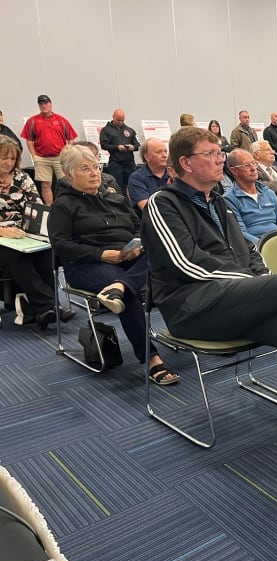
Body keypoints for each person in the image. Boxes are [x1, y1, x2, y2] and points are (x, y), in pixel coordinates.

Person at [140, 126, 277, 462]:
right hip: (191, 310)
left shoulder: (218, 202)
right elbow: (187, 265)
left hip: (230, 303)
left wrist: (257, 278)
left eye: (220, 153)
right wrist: (251, 282)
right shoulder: (163, 203)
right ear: (186, 163)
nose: (220, 159)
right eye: (212, 154)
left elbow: (248, 250)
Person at [48, 145, 179, 385]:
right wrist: (102, 254)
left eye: (96, 167)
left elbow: (140, 227)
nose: (94, 173)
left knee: (166, 256)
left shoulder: (116, 198)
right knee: (127, 297)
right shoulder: (63, 206)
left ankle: (121, 285)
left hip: (129, 259)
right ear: (68, 175)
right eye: (85, 169)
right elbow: (60, 245)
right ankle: (151, 359)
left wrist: (137, 246)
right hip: (87, 265)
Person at [0, 137, 74, 328]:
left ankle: (43, 309)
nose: (8, 163)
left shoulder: (22, 177)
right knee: (16, 257)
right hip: (3, 238)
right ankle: (49, 306)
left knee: (46, 252)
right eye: (3, 158)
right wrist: (2, 231)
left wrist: (37, 231)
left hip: (23, 233)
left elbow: (36, 206)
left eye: (11, 158)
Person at [223, 149, 277, 246]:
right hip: (257, 248)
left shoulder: (268, 192)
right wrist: (267, 246)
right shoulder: (229, 199)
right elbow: (241, 233)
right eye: (247, 166)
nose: (253, 169)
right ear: (234, 171)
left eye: (254, 163)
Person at [20, 95, 77, 204]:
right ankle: (49, 208)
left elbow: (71, 137)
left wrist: (67, 152)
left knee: (66, 182)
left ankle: (68, 205)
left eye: (46, 103)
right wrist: (34, 156)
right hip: (42, 158)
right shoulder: (32, 121)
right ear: (39, 106)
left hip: (60, 158)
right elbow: (28, 139)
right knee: (45, 184)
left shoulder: (61, 120)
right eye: (41, 104)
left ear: (51, 104)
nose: (44, 106)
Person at [100, 109, 140, 195]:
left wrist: (132, 147)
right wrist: (117, 147)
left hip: (129, 163)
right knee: (117, 185)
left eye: (122, 120)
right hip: (115, 163)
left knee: (132, 184)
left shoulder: (130, 130)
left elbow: (137, 145)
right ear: (113, 117)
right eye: (118, 120)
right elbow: (104, 145)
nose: (120, 122)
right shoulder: (106, 130)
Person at [127, 138, 170, 212]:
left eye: (165, 151)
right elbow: (147, 208)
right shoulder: (136, 178)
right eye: (159, 152)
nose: (164, 155)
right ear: (147, 157)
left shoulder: (175, 174)